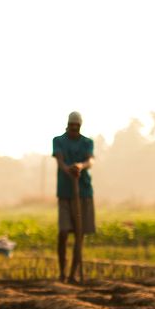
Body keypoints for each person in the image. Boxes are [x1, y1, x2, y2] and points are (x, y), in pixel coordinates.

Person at [52, 111, 95, 281]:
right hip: (65, 192)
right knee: (63, 231)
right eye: (72, 126)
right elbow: (60, 161)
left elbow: (90, 161)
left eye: (77, 126)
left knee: (79, 233)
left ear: (80, 126)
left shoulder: (87, 142)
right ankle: (62, 272)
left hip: (83, 192)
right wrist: (68, 170)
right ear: (68, 125)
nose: (74, 128)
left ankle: (73, 274)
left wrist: (80, 166)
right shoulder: (58, 141)